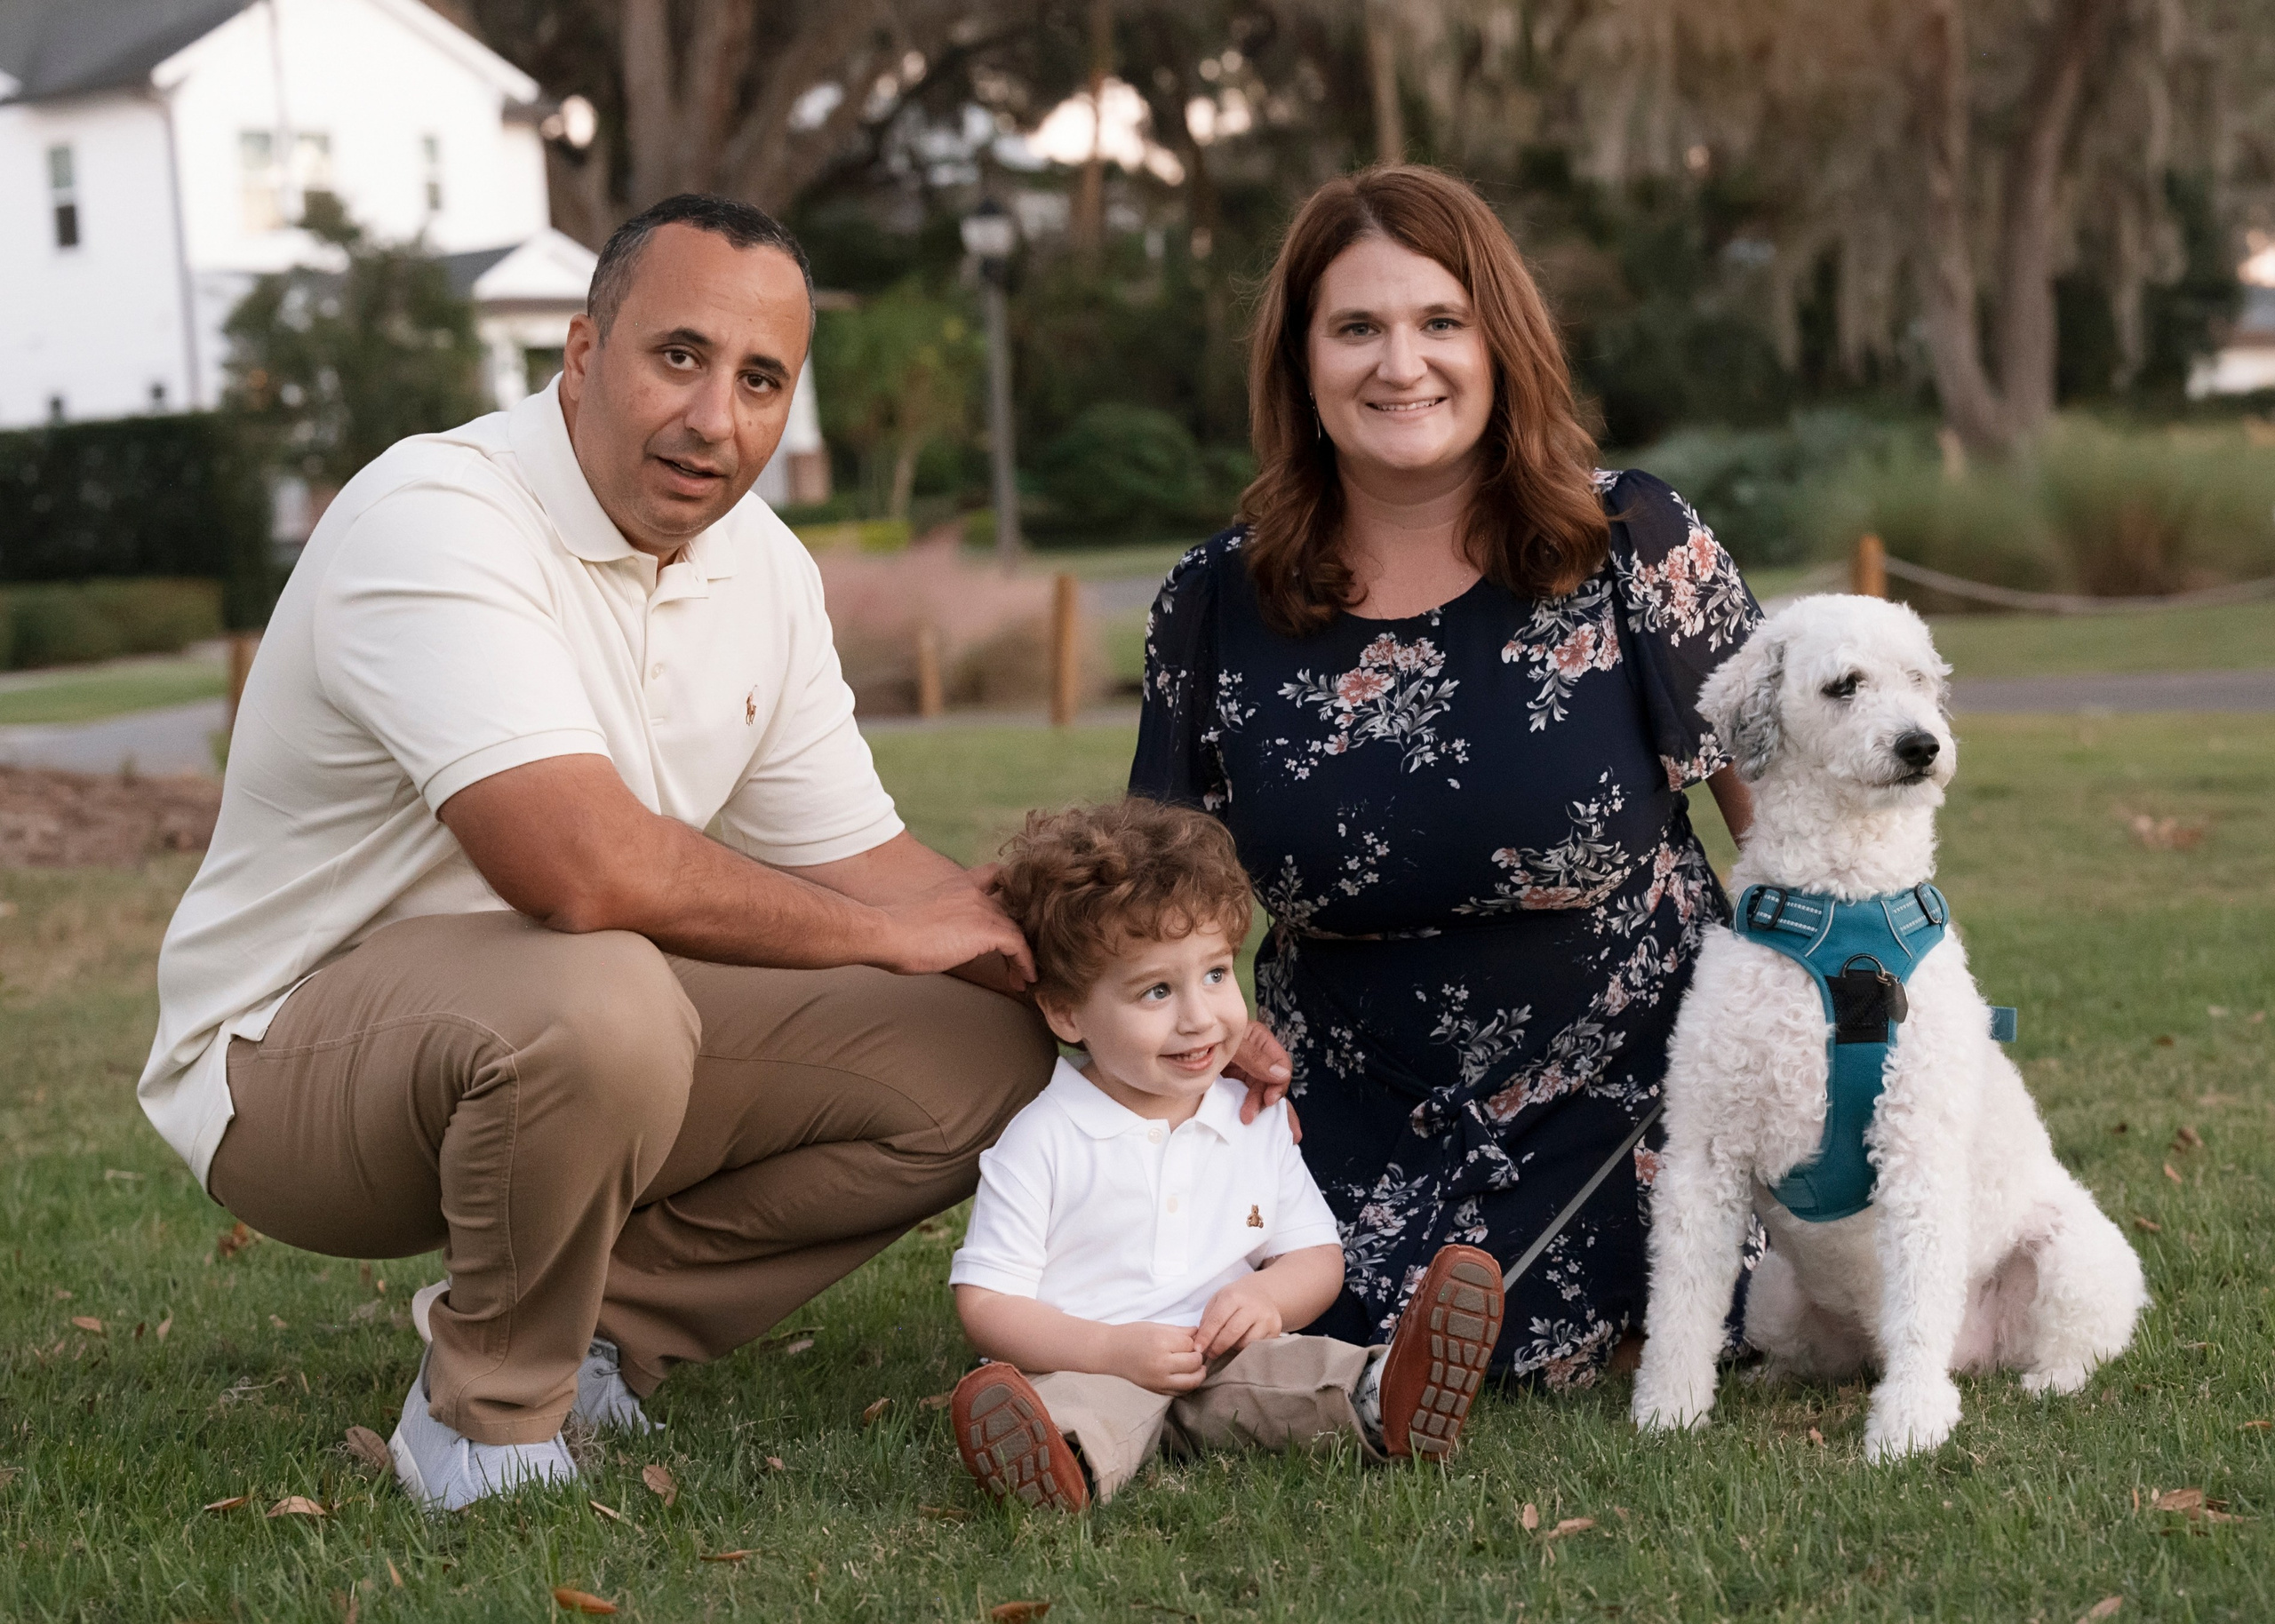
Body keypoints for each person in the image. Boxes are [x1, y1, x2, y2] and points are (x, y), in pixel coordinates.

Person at [140, 195, 1080, 1512]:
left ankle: (593, 1335)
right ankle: (484, 1424)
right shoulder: (436, 514)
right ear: (582, 355)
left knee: (983, 1052)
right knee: (606, 992)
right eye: (678, 357)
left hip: (560, 1030)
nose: (715, 418)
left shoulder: (760, 566)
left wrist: (1134, 1004)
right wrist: (883, 936)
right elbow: (573, 867)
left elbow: (879, 872)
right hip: (289, 1064)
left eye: (761, 380)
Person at [1130, 164, 1764, 1387]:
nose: (1399, 365)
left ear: (1501, 345)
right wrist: (1219, 1029)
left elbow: (1790, 833)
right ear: (1302, 365)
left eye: (1439, 323)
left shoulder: (1632, 541)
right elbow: (1158, 899)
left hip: (1637, 1096)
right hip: (1337, 1111)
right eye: (1356, 327)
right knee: (1225, 1315)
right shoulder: (1213, 601)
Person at [946, 799, 1505, 1510]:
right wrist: (1111, 1352)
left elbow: (1315, 1256)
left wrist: (1266, 1297)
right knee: (1083, 1410)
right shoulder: (1043, 1138)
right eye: (1156, 990)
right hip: (1088, 1361)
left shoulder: (1252, 1117)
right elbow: (988, 1304)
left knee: (1298, 1373)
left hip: (1223, 1358)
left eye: (1215, 974)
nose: (1200, 1016)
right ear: (1066, 1013)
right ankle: (1055, 1463)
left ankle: (1387, 1396)